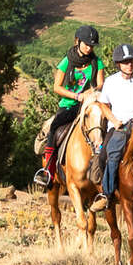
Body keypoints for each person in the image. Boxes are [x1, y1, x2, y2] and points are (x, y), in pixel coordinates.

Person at [88, 42, 133, 213]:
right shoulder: (111, 82)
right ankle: (107, 195)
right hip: (119, 127)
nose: (130, 64)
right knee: (106, 155)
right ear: (118, 64)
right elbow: (103, 104)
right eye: (125, 62)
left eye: (132, 61)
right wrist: (114, 120)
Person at [35, 24, 104, 188]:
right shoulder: (67, 61)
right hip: (69, 105)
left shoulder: (97, 62)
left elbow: (101, 84)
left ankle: (106, 175)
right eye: (86, 44)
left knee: (103, 129)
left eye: (92, 45)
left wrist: (91, 93)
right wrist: (77, 96)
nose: (89, 48)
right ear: (77, 41)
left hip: (89, 105)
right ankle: (48, 171)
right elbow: (56, 87)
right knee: (54, 129)